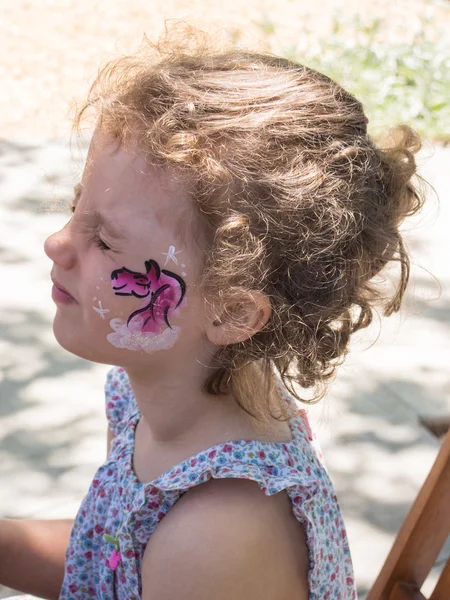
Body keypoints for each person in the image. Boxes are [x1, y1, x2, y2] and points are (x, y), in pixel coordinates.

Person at [0, 28, 425, 600]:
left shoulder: (216, 535)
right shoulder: (160, 394)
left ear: (230, 311)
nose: (57, 242)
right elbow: (108, 561)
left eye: (103, 240)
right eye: (78, 207)